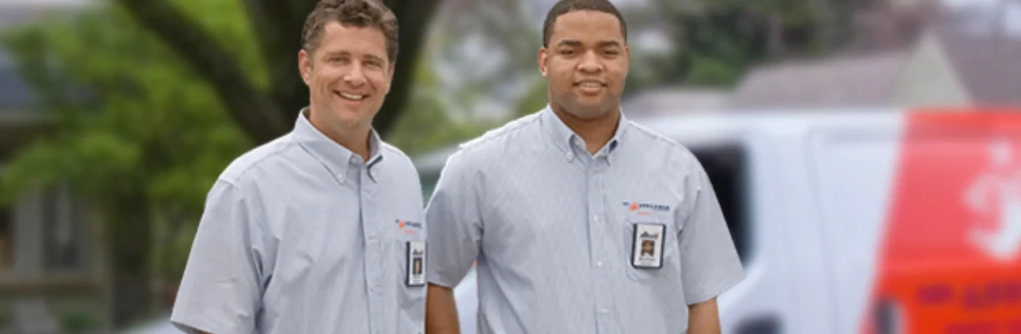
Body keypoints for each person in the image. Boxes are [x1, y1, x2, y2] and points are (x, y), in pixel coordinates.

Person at [423, 0, 744, 333]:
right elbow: (432, 278)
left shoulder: (680, 172)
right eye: (571, 51)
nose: (590, 65)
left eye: (607, 52)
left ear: (626, 60)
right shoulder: (478, 168)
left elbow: (703, 299)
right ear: (545, 61)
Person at [170, 0, 427, 333]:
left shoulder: (402, 176)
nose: (355, 76)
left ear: (389, 75)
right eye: (338, 59)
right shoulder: (246, 189)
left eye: (371, 63)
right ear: (306, 67)